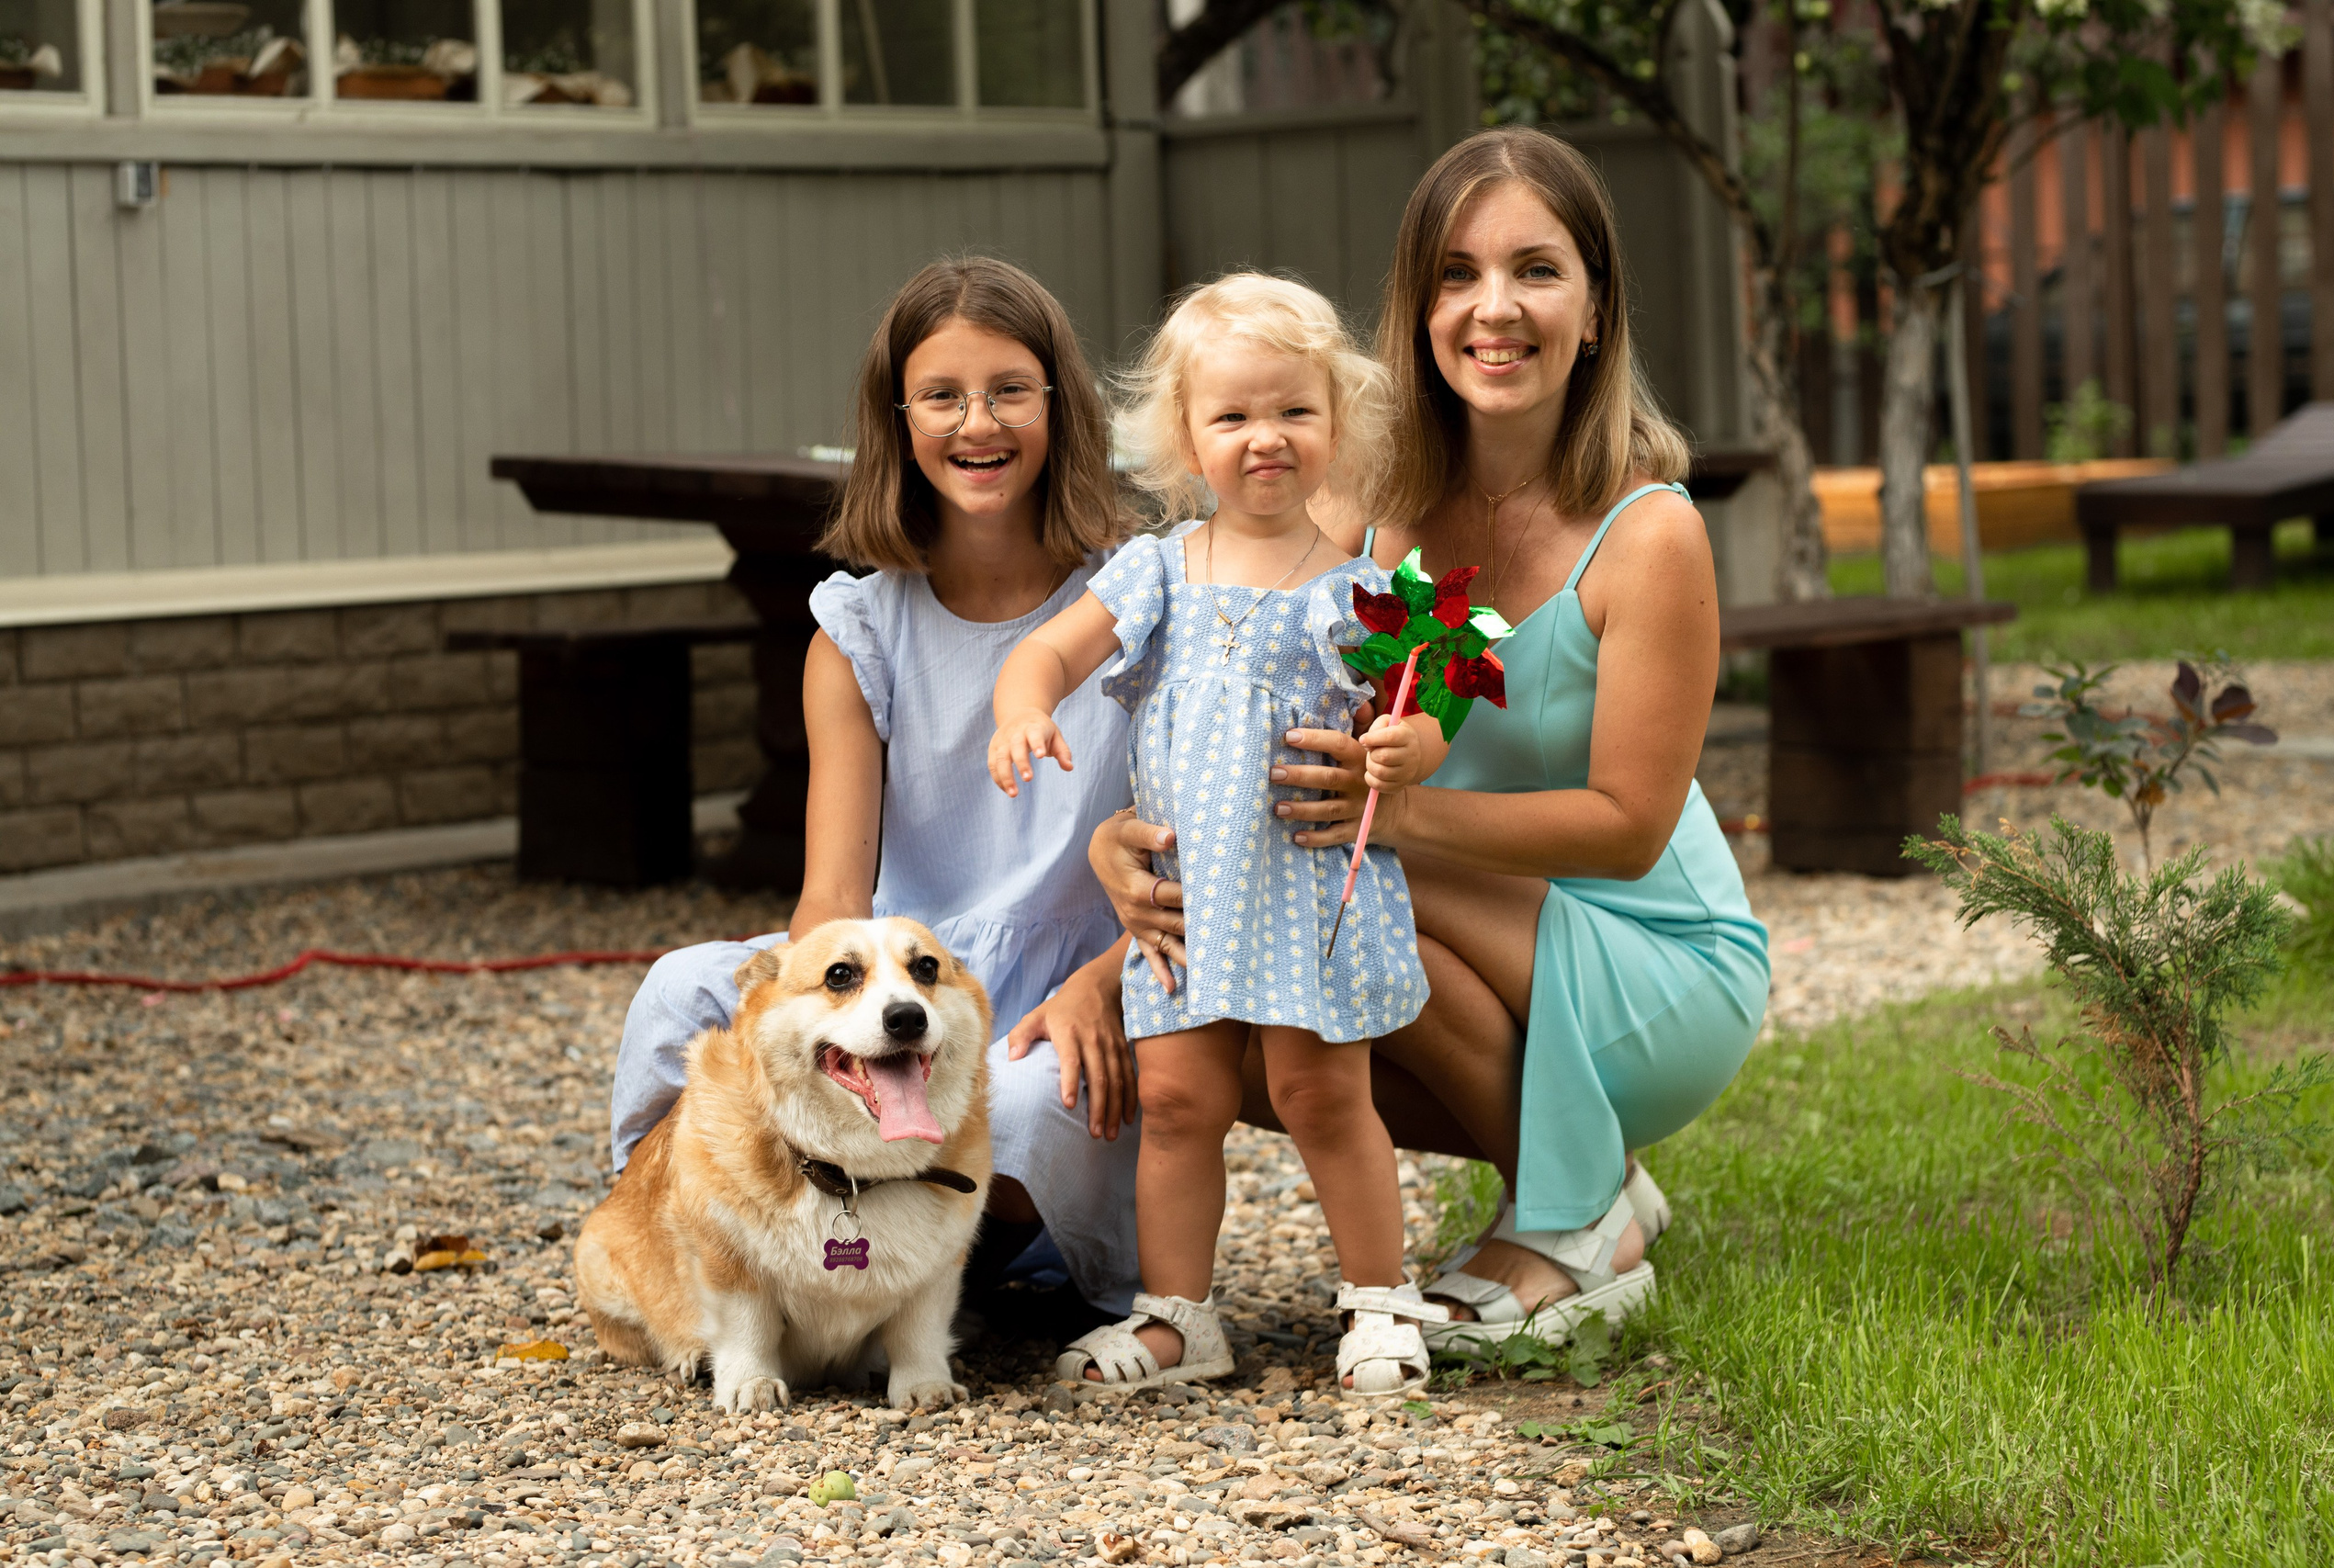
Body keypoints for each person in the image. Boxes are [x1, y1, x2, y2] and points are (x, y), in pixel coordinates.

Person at [1087, 128, 1772, 1345]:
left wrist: (1392, 815)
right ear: (1418, 307)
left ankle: (1579, 1209)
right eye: (1456, 274)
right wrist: (1121, 908)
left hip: (1651, 950)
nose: (1492, 308)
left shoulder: (1650, 531)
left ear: (1597, 307)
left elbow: (1627, 830)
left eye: (1536, 270)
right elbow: (1212, 674)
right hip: (1452, 898)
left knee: (1331, 880)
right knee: (1221, 1025)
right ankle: (1575, 1163)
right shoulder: (1373, 504)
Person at [605, 256, 1148, 1316]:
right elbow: (831, 903)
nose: (976, 423)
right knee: (680, 991)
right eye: (941, 395)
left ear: (1060, 406)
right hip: (891, 973)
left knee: (1031, 1102)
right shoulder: (860, 628)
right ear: (898, 420)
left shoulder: (1138, 598)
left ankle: (916, 1277)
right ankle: (689, 1254)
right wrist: (818, 1034)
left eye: (1009, 391)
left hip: (1071, 986)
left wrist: (1113, 980)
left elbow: (1198, 845)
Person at [987, 273, 1449, 1395]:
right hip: (1186, 898)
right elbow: (1047, 653)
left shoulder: (1368, 588)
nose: (1265, 438)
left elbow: (1426, 708)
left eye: (1293, 410)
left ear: (1336, 426)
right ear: (1186, 439)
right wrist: (1021, 705)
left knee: (1321, 1096)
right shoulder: (1155, 570)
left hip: (1308, 889)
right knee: (1183, 1102)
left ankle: (1381, 1301)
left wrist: (1410, 752)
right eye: (1232, 416)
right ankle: (1177, 1319)